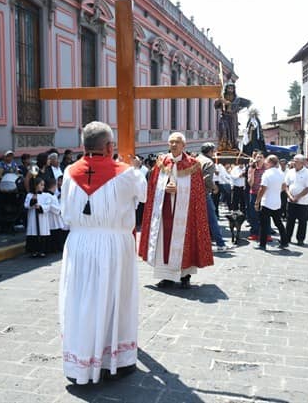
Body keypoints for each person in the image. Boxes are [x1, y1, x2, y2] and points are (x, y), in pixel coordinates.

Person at [59, 121, 146, 385]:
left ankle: (81, 361)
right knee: (114, 300)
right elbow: (142, 195)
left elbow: (64, 210)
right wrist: (138, 169)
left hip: (79, 244)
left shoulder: (68, 172)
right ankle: (115, 360)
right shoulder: (126, 173)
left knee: (82, 299)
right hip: (113, 245)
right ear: (109, 147)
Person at [139, 132, 214, 289]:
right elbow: (153, 186)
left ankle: (185, 276)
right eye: (171, 142)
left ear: (184, 145)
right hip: (164, 210)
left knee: (185, 241)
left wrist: (178, 189)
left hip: (185, 213)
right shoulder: (161, 162)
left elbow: (197, 191)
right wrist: (165, 187)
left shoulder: (193, 164)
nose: (173, 145)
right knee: (163, 242)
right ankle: (166, 277)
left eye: (177, 142)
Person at [197, 143, 233, 253]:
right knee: (212, 219)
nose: (214, 153)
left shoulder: (197, 159)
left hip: (194, 193)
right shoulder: (208, 162)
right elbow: (206, 179)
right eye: (213, 151)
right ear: (210, 151)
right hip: (203, 193)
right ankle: (220, 244)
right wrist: (214, 187)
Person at [254, 155, 289, 250]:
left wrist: (257, 201)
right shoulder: (281, 173)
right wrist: (276, 191)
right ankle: (285, 241)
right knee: (278, 223)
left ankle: (262, 244)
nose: (265, 163)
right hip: (277, 201)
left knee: (264, 224)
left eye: (266, 161)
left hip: (267, 202)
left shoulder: (267, 173)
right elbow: (284, 186)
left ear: (270, 162)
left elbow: (262, 188)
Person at [284, 154, 308, 245]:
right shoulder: (290, 172)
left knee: (302, 221)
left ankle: (300, 239)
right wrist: (289, 196)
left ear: (302, 163)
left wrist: (298, 196)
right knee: (290, 220)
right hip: (291, 200)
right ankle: (287, 237)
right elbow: (285, 185)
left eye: (296, 161)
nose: (294, 162)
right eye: (293, 160)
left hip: (303, 201)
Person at [213, 82, 251, 151]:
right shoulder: (222, 97)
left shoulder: (237, 99)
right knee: (223, 130)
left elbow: (249, 103)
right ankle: (223, 145)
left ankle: (232, 145)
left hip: (233, 118)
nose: (230, 90)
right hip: (224, 117)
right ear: (226, 89)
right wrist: (221, 100)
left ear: (234, 89)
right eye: (229, 88)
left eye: (232, 88)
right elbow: (215, 105)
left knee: (232, 132)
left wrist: (238, 109)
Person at [24, 178, 51, 258]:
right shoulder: (29, 195)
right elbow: (26, 205)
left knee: (42, 233)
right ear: (35, 186)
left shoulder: (46, 195)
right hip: (33, 217)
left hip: (42, 218)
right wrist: (32, 202)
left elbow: (48, 206)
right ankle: (34, 251)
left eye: (43, 185)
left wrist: (41, 207)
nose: (43, 187)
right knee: (34, 233)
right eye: (41, 185)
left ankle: (42, 251)